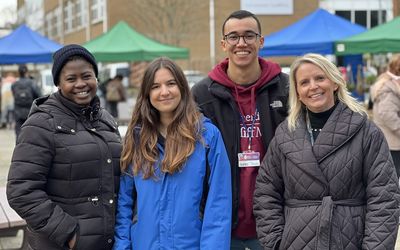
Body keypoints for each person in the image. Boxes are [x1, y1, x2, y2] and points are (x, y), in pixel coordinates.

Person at [253, 53, 400, 249]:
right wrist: (276, 242)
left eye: (320, 78)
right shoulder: (284, 135)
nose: (313, 86)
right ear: (297, 91)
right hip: (296, 241)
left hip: (350, 239)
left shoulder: (366, 132)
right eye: (304, 82)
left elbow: (384, 199)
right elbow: (266, 193)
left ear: (335, 83)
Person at [7, 44, 122, 250]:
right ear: (58, 83)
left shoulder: (105, 119)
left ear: (96, 78)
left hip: (107, 243)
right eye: (71, 79)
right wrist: (70, 234)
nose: (81, 84)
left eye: (86, 76)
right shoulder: (41, 124)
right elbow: (21, 191)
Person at [191, 10, 288, 249]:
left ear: (261, 41)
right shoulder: (202, 94)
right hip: (223, 222)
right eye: (233, 37)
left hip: (276, 219)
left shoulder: (285, 88)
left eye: (249, 36)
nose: (241, 43)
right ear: (224, 44)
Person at [114, 57, 232, 249]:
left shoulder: (206, 136)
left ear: (183, 88)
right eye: (155, 86)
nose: (164, 92)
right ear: (146, 93)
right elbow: (125, 202)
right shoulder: (136, 138)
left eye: (171, 84)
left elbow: (219, 203)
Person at [370, 54, 400, 178]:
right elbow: (388, 115)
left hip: (392, 141)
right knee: (393, 178)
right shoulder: (388, 88)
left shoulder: (389, 85)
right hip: (392, 143)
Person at [11, 64, 41, 139]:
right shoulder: (32, 83)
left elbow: (14, 95)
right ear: (26, 72)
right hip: (30, 112)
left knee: (18, 135)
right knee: (31, 134)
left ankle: (19, 149)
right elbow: (39, 96)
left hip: (18, 112)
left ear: (18, 72)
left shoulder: (14, 84)